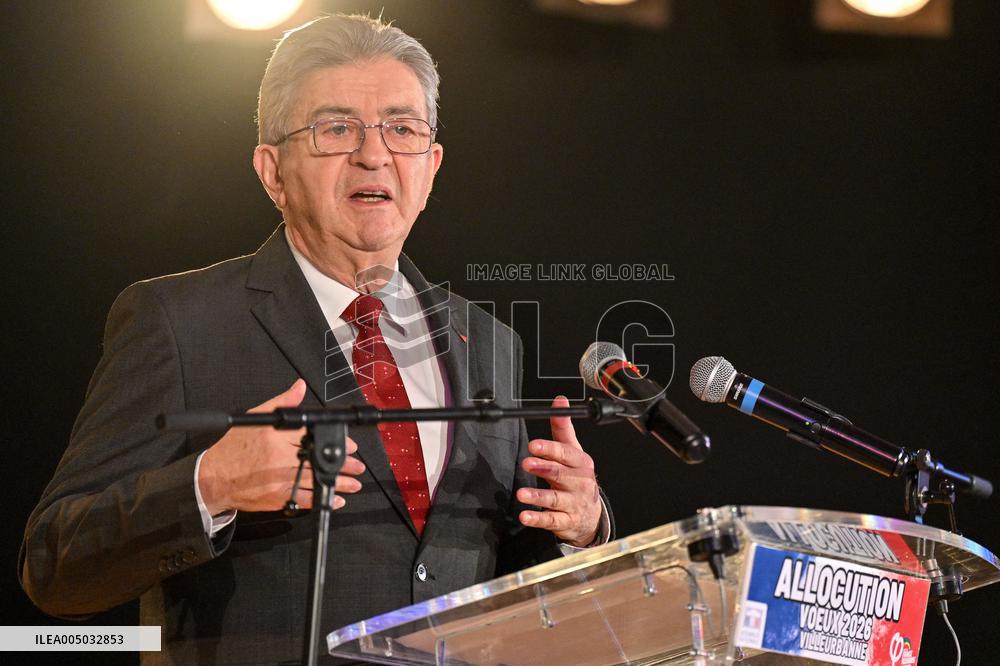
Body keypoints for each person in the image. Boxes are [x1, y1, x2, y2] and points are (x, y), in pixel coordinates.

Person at [19, 13, 611, 664]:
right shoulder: (179, 322)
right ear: (273, 171)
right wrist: (211, 483)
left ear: (431, 166)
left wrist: (579, 526)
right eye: (337, 129)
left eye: (402, 128)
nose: (374, 152)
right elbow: (54, 567)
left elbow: (499, 572)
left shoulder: (490, 341)